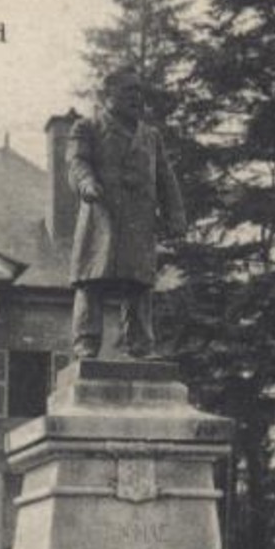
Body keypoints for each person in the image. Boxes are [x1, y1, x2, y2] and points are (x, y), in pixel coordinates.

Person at [67, 68, 188, 359]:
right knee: (91, 280)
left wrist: (176, 215)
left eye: (139, 92)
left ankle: (140, 344)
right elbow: (76, 162)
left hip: (138, 221)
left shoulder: (150, 136)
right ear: (109, 96)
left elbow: (165, 177)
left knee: (139, 284)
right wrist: (87, 184)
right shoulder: (88, 128)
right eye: (128, 91)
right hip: (102, 215)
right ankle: (86, 342)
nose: (136, 98)